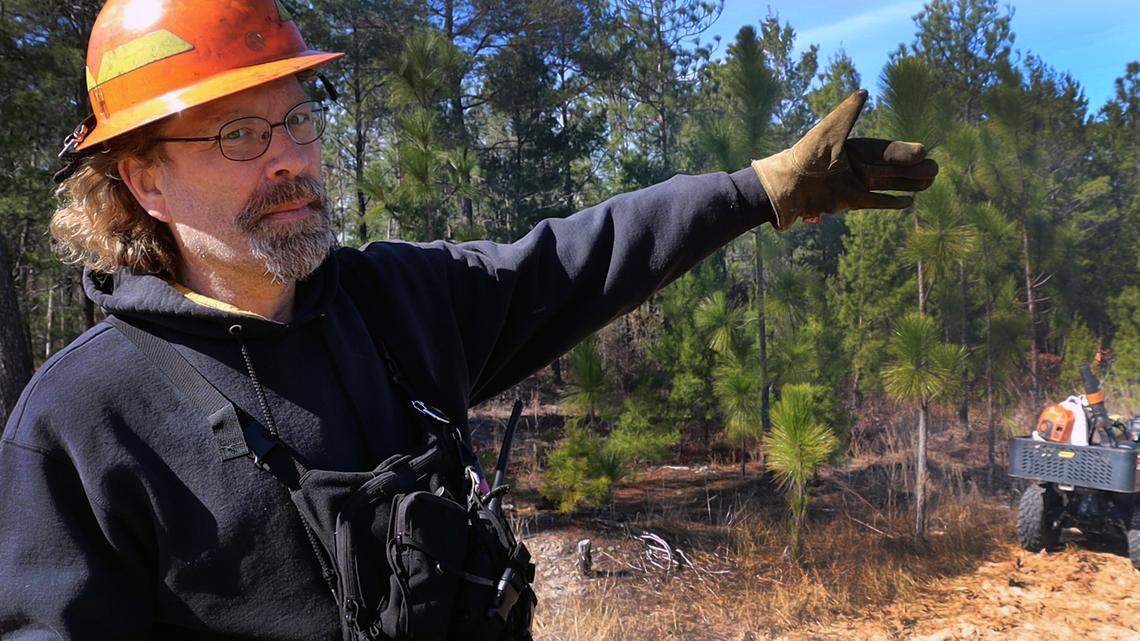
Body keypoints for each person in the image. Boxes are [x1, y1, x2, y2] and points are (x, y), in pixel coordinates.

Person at [0, 1, 938, 639]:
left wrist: (755, 190)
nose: (289, 158)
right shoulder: (82, 425)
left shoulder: (396, 308)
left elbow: (583, 256)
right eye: (238, 134)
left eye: (296, 118)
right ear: (143, 178)